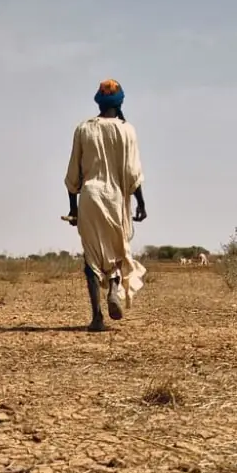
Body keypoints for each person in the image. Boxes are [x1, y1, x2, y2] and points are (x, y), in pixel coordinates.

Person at [65, 79, 147, 331]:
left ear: (98, 102)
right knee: (118, 252)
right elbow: (133, 174)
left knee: (91, 258)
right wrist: (141, 203)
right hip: (116, 200)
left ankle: (97, 318)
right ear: (120, 102)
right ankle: (114, 287)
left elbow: (73, 174)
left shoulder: (83, 129)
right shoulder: (127, 130)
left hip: (89, 197)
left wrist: (73, 208)